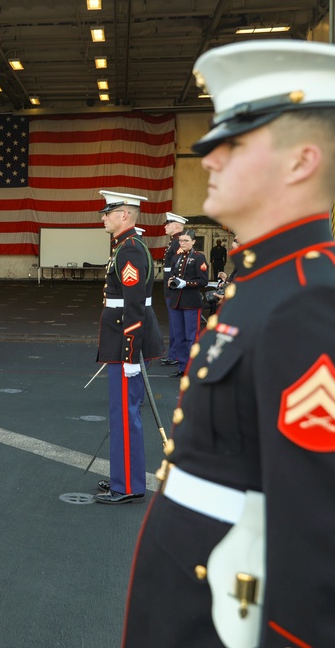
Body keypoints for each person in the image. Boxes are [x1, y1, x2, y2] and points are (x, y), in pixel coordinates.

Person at [122, 41, 335, 648]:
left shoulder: (318, 306)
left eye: (234, 141)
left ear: (300, 162)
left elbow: (324, 567)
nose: (207, 157)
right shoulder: (268, 281)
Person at [93, 190, 164, 505]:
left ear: (124, 214)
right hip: (122, 343)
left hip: (126, 346)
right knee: (120, 413)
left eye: (107, 211)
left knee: (124, 415)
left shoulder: (130, 250)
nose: (103, 217)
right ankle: (122, 478)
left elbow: (134, 307)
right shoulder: (125, 247)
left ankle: (128, 486)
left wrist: (130, 354)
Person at [165, 229, 209, 376]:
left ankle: (194, 369)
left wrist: (186, 283)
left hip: (191, 301)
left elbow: (203, 281)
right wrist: (172, 281)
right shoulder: (176, 258)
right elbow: (172, 274)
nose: (183, 243)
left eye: (186, 241)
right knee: (179, 336)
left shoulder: (198, 258)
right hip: (176, 301)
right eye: (181, 241)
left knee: (192, 337)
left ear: (193, 242)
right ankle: (183, 368)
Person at [159, 212, 187, 367]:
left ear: (176, 226)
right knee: (174, 322)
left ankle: (175, 354)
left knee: (176, 323)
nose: (165, 226)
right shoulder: (174, 241)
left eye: (168, 224)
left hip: (172, 287)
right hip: (169, 285)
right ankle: (174, 353)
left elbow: (177, 266)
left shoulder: (178, 242)